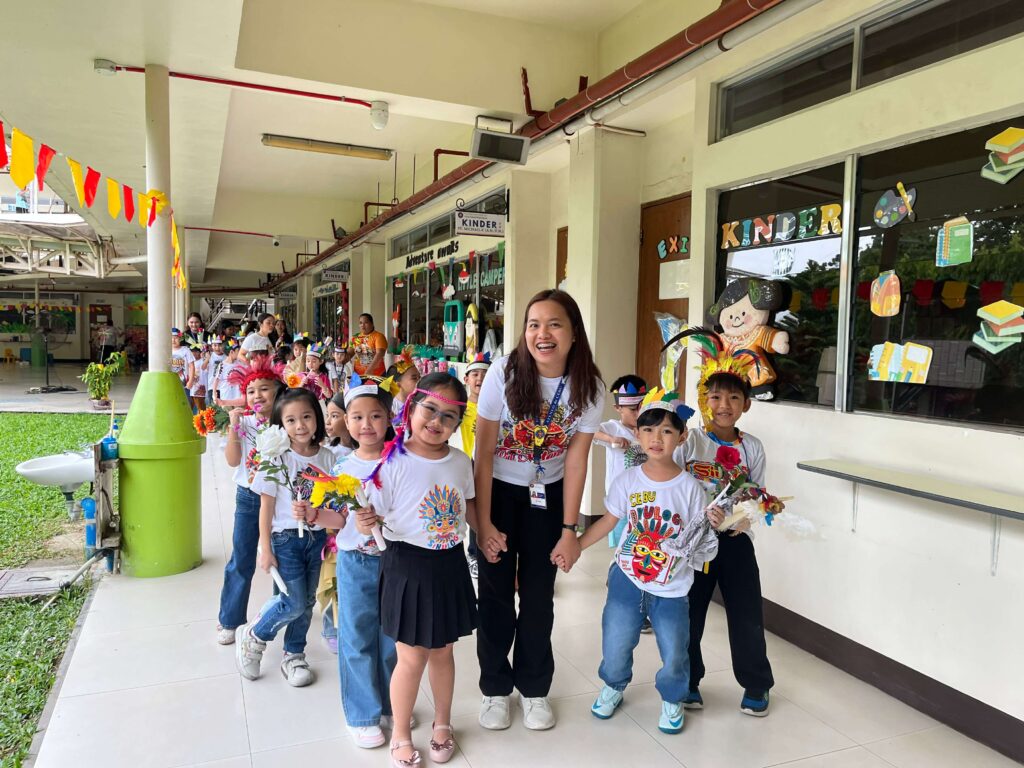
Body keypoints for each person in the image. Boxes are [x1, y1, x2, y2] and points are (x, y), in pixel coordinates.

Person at [473, 289, 605, 731]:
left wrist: (570, 529)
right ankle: (495, 688)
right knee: (495, 595)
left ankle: (534, 689)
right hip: (497, 492)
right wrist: (483, 523)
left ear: (574, 333)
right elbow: (483, 453)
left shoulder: (589, 387)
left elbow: (576, 460)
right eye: (533, 324)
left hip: (547, 496)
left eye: (554, 324)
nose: (541, 334)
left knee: (537, 597)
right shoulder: (505, 372)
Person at [353, 372, 487, 765]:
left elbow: (469, 505)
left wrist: (487, 533)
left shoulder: (460, 462)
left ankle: (443, 723)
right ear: (411, 407)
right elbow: (371, 515)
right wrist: (364, 519)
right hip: (406, 565)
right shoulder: (391, 462)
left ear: (457, 425)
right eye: (430, 409)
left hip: (449, 563)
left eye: (449, 416)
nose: (436, 421)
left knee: (443, 652)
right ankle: (399, 734)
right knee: (411, 657)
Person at [575, 390, 708, 735]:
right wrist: (576, 546)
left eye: (666, 431)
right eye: (648, 430)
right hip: (627, 578)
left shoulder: (691, 488)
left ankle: (673, 696)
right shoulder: (628, 480)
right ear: (637, 434)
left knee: (675, 649)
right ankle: (613, 684)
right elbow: (609, 521)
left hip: (672, 586)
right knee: (616, 640)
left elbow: (700, 538)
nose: (656, 438)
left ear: (682, 437)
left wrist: (714, 524)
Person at [672, 327, 773, 717]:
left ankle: (756, 684)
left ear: (746, 404)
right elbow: (673, 488)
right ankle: (688, 681)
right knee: (690, 615)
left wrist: (745, 518)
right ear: (704, 400)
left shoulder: (753, 447)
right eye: (715, 396)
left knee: (746, 613)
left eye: (733, 397)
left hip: (734, 542)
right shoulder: (689, 443)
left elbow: (757, 495)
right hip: (695, 544)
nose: (724, 404)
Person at [309, 374, 397, 749]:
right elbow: (338, 519)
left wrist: (382, 520)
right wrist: (313, 515)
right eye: (357, 417)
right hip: (355, 561)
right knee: (357, 635)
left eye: (375, 416)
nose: (366, 425)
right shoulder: (342, 467)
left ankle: (392, 702)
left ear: (389, 418)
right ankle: (361, 714)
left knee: (392, 636)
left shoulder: (400, 460)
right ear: (346, 421)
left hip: (395, 562)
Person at [234, 387, 337, 687]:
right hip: (285, 540)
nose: (300, 425)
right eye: (291, 420)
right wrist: (265, 548)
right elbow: (265, 507)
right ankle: (254, 635)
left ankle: (294, 654)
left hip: (316, 539)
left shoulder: (328, 458)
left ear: (317, 418)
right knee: (292, 602)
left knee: (306, 602)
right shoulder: (276, 458)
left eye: (306, 417)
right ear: (281, 424)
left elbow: (333, 502)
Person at [216, 358, 284, 645]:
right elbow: (233, 461)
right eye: (251, 391)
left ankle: (282, 611)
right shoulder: (243, 423)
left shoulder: (287, 421)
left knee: (283, 558)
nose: (257, 395)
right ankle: (230, 619)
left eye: (264, 389)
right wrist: (233, 427)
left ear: (278, 391)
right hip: (248, 497)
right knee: (241, 558)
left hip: (280, 498)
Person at [317, 392, 353, 656]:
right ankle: (331, 628)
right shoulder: (330, 454)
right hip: (335, 530)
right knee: (333, 580)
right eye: (328, 416)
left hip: (359, 531)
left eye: (335, 415)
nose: (328, 422)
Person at [450, 352, 492, 578]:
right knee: (473, 509)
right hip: (466, 465)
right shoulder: (461, 409)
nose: (480, 378)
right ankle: (473, 554)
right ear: (466, 379)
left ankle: (488, 549)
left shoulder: (496, 408)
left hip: (490, 466)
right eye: (475, 374)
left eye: (485, 374)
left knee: (488, 509)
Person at [594, 375, 648, 547]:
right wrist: (611, 439)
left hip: (645, 499)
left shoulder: (649, 430)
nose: (638, 414)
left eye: (642, 408)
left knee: (643, 544)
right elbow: (590, 431)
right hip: (620, 501)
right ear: (618, 408)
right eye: (633, 410)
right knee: (622, 547)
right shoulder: (613, 427)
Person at [384, 347, 420, 420]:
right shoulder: (389, 408)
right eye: (414, 378)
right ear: (398, 385)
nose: (419, 380)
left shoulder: (419, 404)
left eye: (419, 377)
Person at [215, 339, 245, 407]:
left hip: (238, 398)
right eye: (238, 351)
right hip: (226, 398)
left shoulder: (240, 363)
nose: (239, 353)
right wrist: (214, 395)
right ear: (231, 352)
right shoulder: (222, 365)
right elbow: (216, 380)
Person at [170, 328, 194, 402]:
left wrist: (191, 380)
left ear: (180, 338)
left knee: (185, 402)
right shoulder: (167, 350)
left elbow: (191, 366)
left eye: (176, 338)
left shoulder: (185, 350)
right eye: (171, 338)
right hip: (170, 382)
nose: (173, 340)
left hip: (184, 383)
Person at [208, 336, 227, 407]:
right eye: (215, 345)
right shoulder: (209, 356)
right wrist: (207, 359)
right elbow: (203, 368)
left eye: (219, 345)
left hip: (223, 386)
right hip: (211, 386)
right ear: (211, 346)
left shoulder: (226, 357)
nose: (217, 348)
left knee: (223, 406)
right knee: (213, 407)